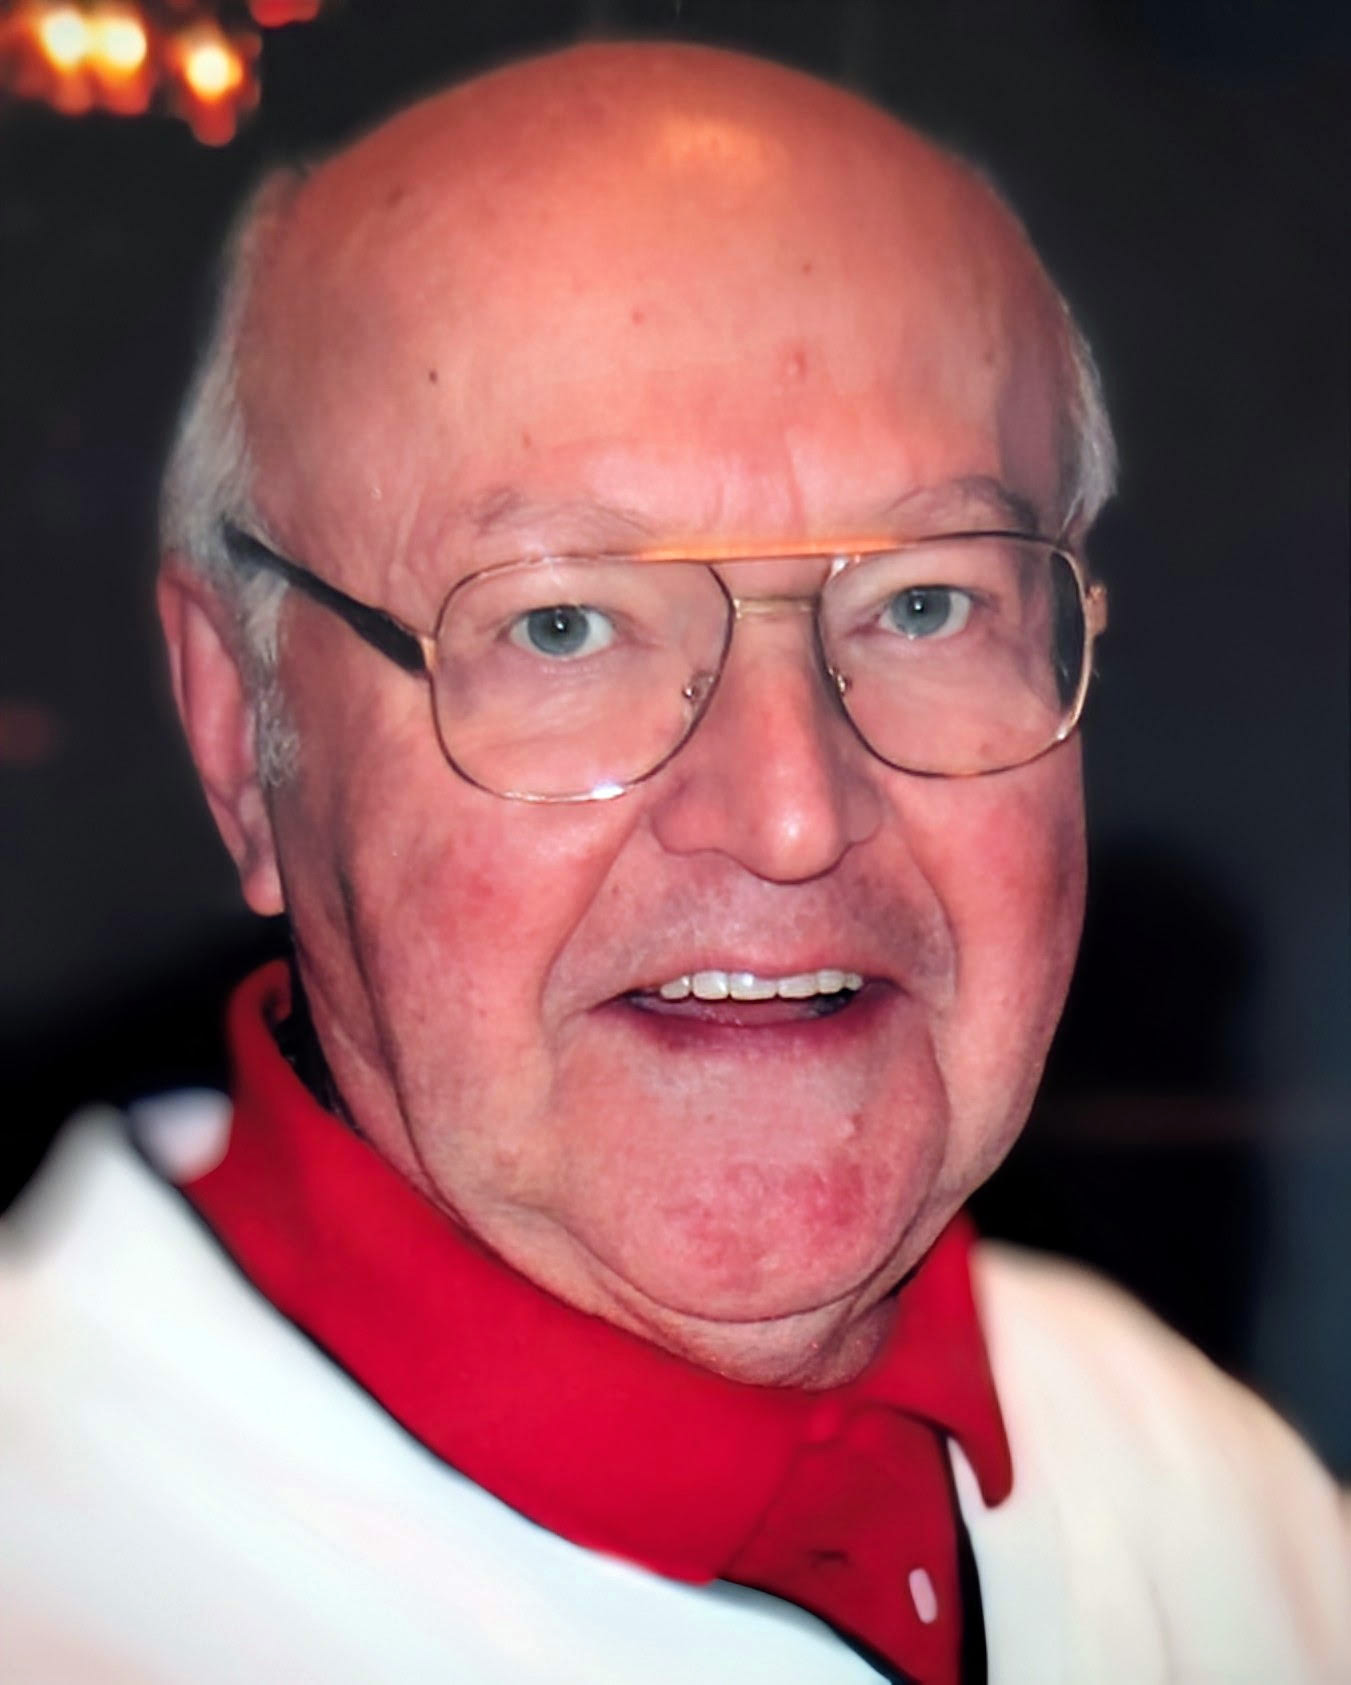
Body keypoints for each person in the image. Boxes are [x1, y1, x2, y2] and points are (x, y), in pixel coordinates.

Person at [2, 39, 1346, 1685]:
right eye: (564, 624)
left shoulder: (1212, 1491)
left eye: (926, 602)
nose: (791, 815)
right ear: (240, 731)